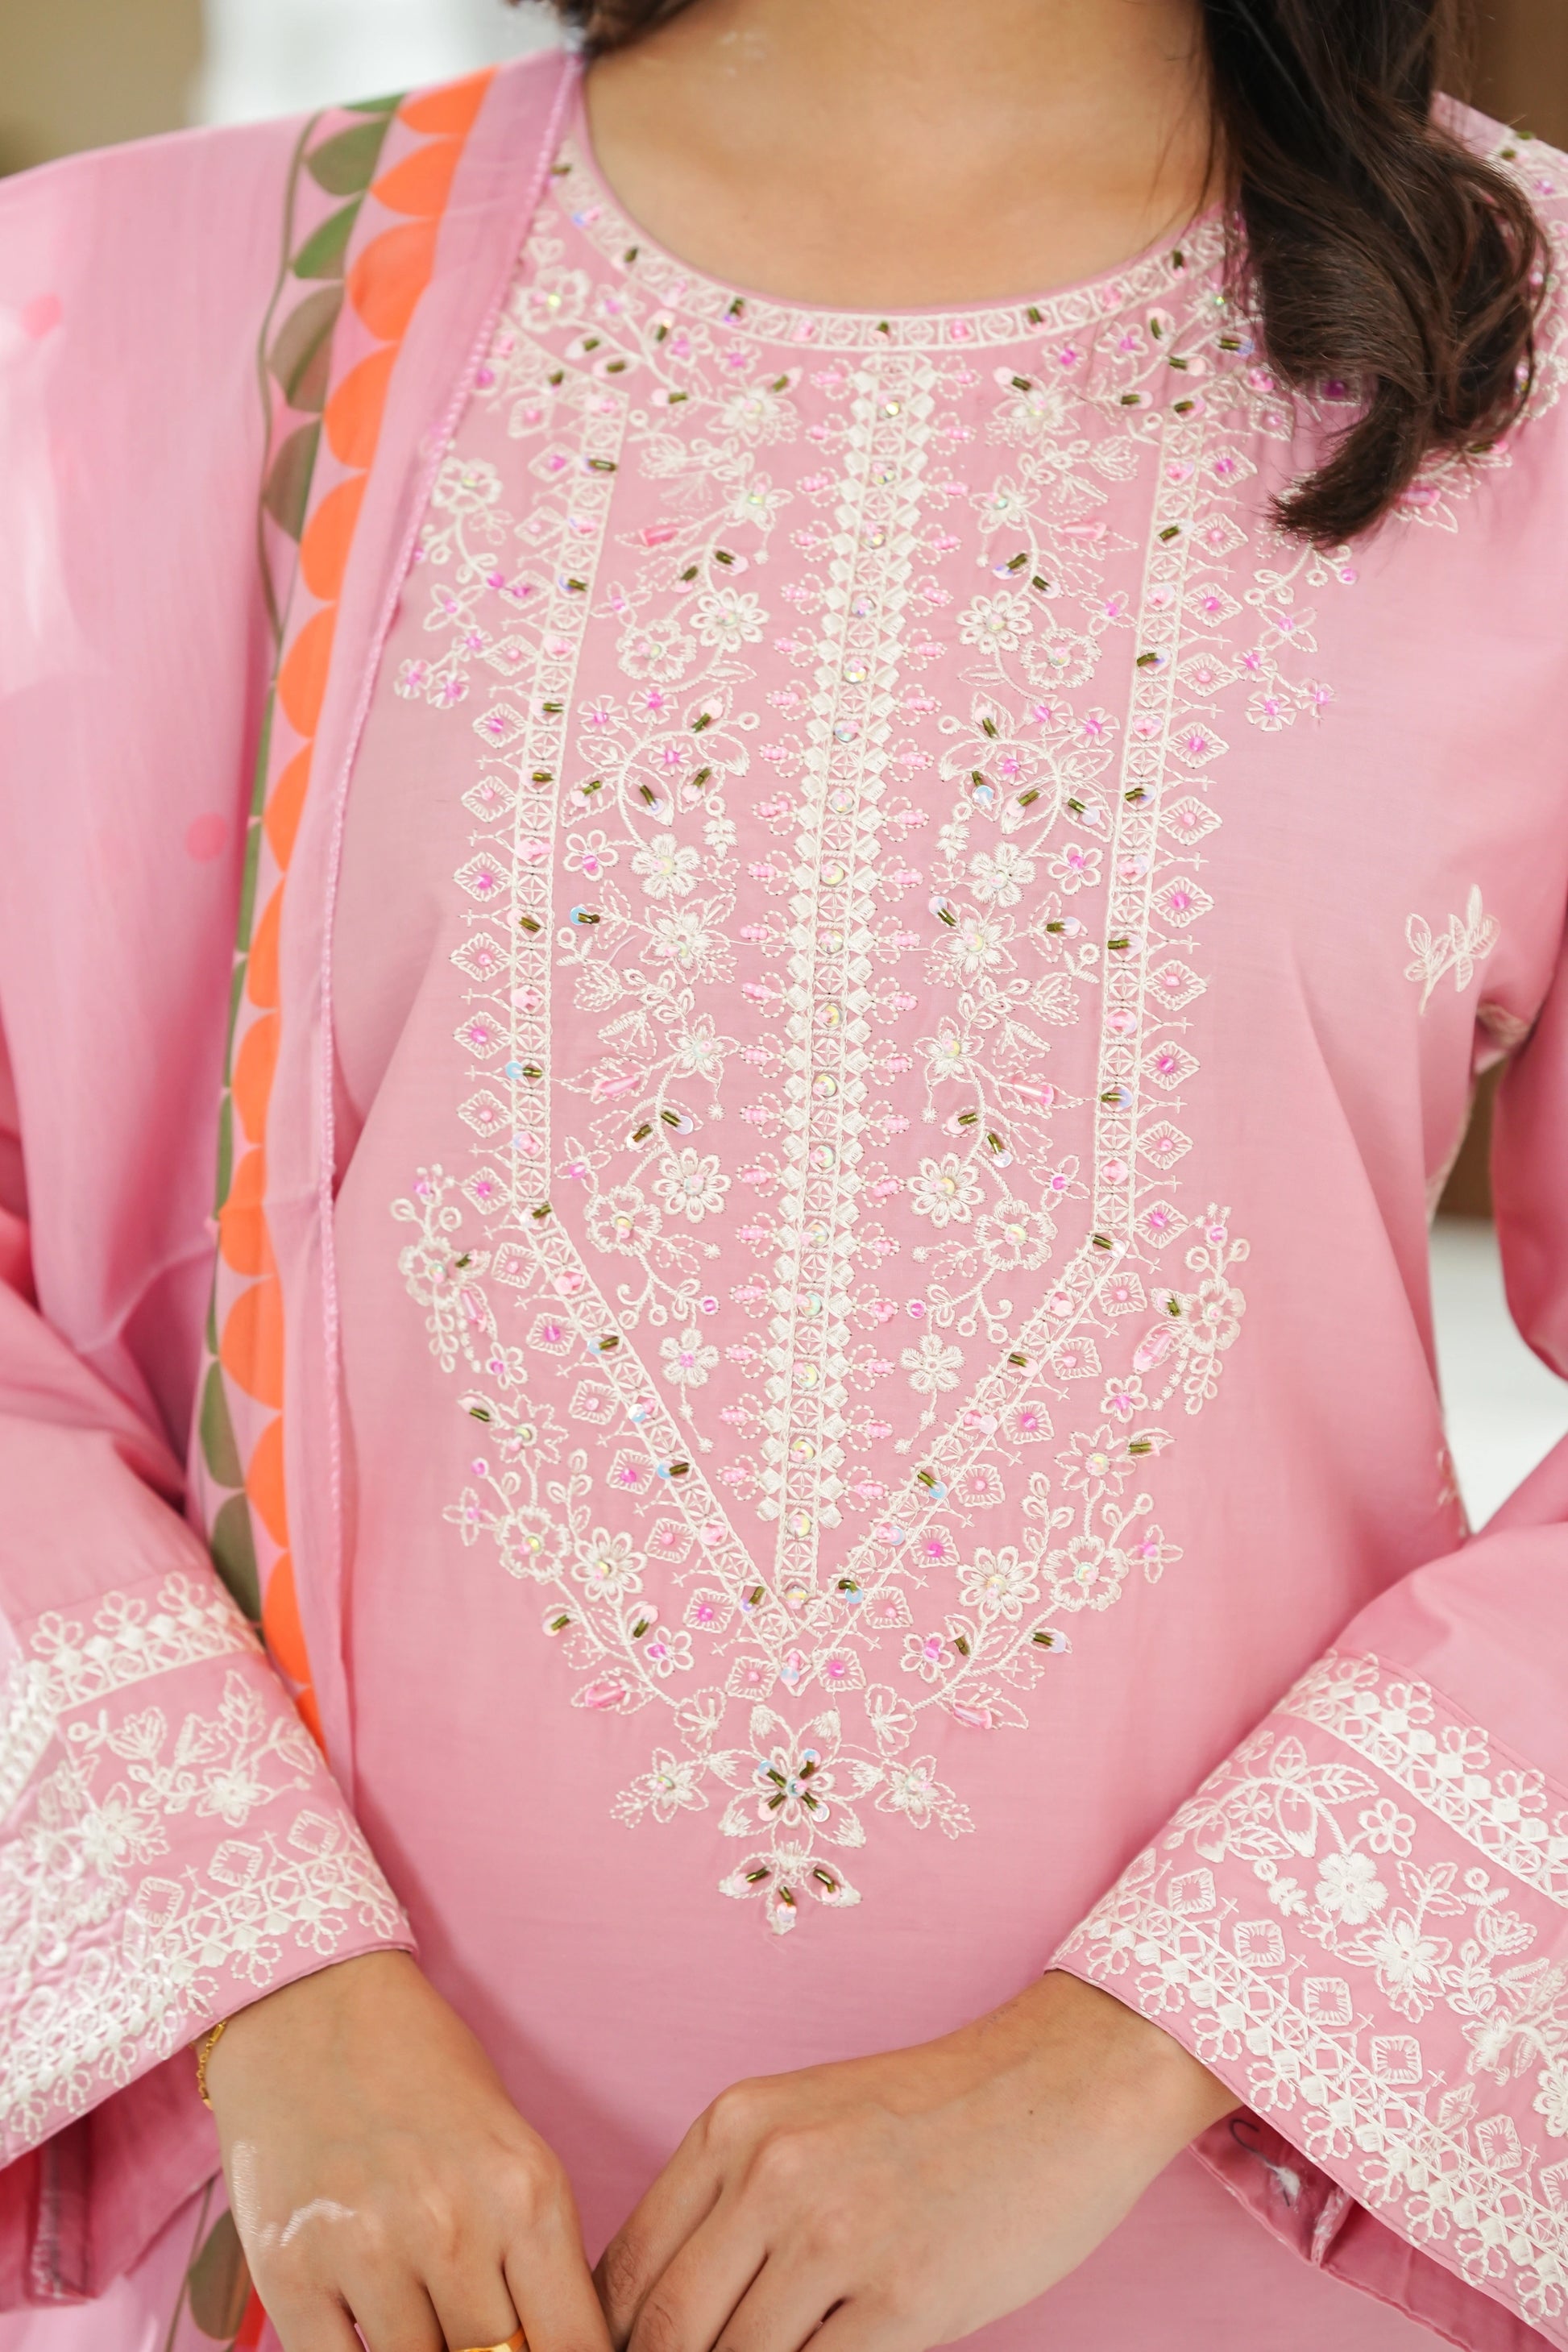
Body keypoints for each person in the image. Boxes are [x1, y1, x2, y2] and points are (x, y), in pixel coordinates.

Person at [2, 0, 1567, 2346]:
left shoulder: (1530, 361)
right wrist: (261, 1990)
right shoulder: (154, 315)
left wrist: (1124, 2059)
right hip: (347, 2264)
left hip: (1247, 2240)